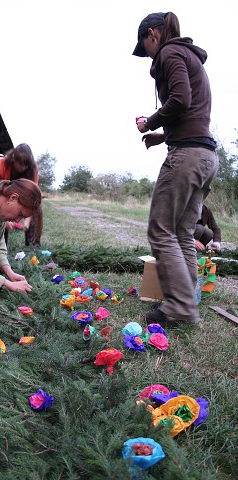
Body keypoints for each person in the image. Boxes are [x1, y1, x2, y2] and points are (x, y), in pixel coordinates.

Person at [133, 12, 219, 327]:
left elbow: (181, 99)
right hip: (205, 155)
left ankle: (180, 308)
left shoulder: (170, 52)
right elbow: (191, 109)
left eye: (145, 46)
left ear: (153, 34)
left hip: (187, 157)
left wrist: (149, 121)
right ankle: (186, 301)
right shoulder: (186, 55)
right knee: (183, 231)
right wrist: (161, 136)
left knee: (160, 229)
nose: (148, 55)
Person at [0, 143, 41, 246]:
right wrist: (5, 218)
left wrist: (28, 218)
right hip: (0, 195)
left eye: (26, 165)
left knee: (36, 211)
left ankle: (33, 245)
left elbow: (33, 196)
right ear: (13, 158)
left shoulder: (33, 169)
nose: (23, 167)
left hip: (21, 197)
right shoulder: (0, 164)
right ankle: (0, 244)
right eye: (20, 163)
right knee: (1, 218)